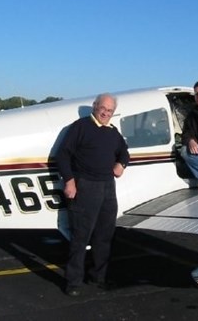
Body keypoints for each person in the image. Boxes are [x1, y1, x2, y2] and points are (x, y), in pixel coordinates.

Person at [56, 93, 130, 297]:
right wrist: (69, 180)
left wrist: (121, 164)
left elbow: (124, 151)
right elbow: (63, 154)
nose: (105, 112)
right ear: (95, 107)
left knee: (104, 236)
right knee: (81, 236)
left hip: (107, 186)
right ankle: (73, 282)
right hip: (85, 186)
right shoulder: (81, 126)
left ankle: (98, 277)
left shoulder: (113, 132)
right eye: (102, 108)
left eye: (110, 110)